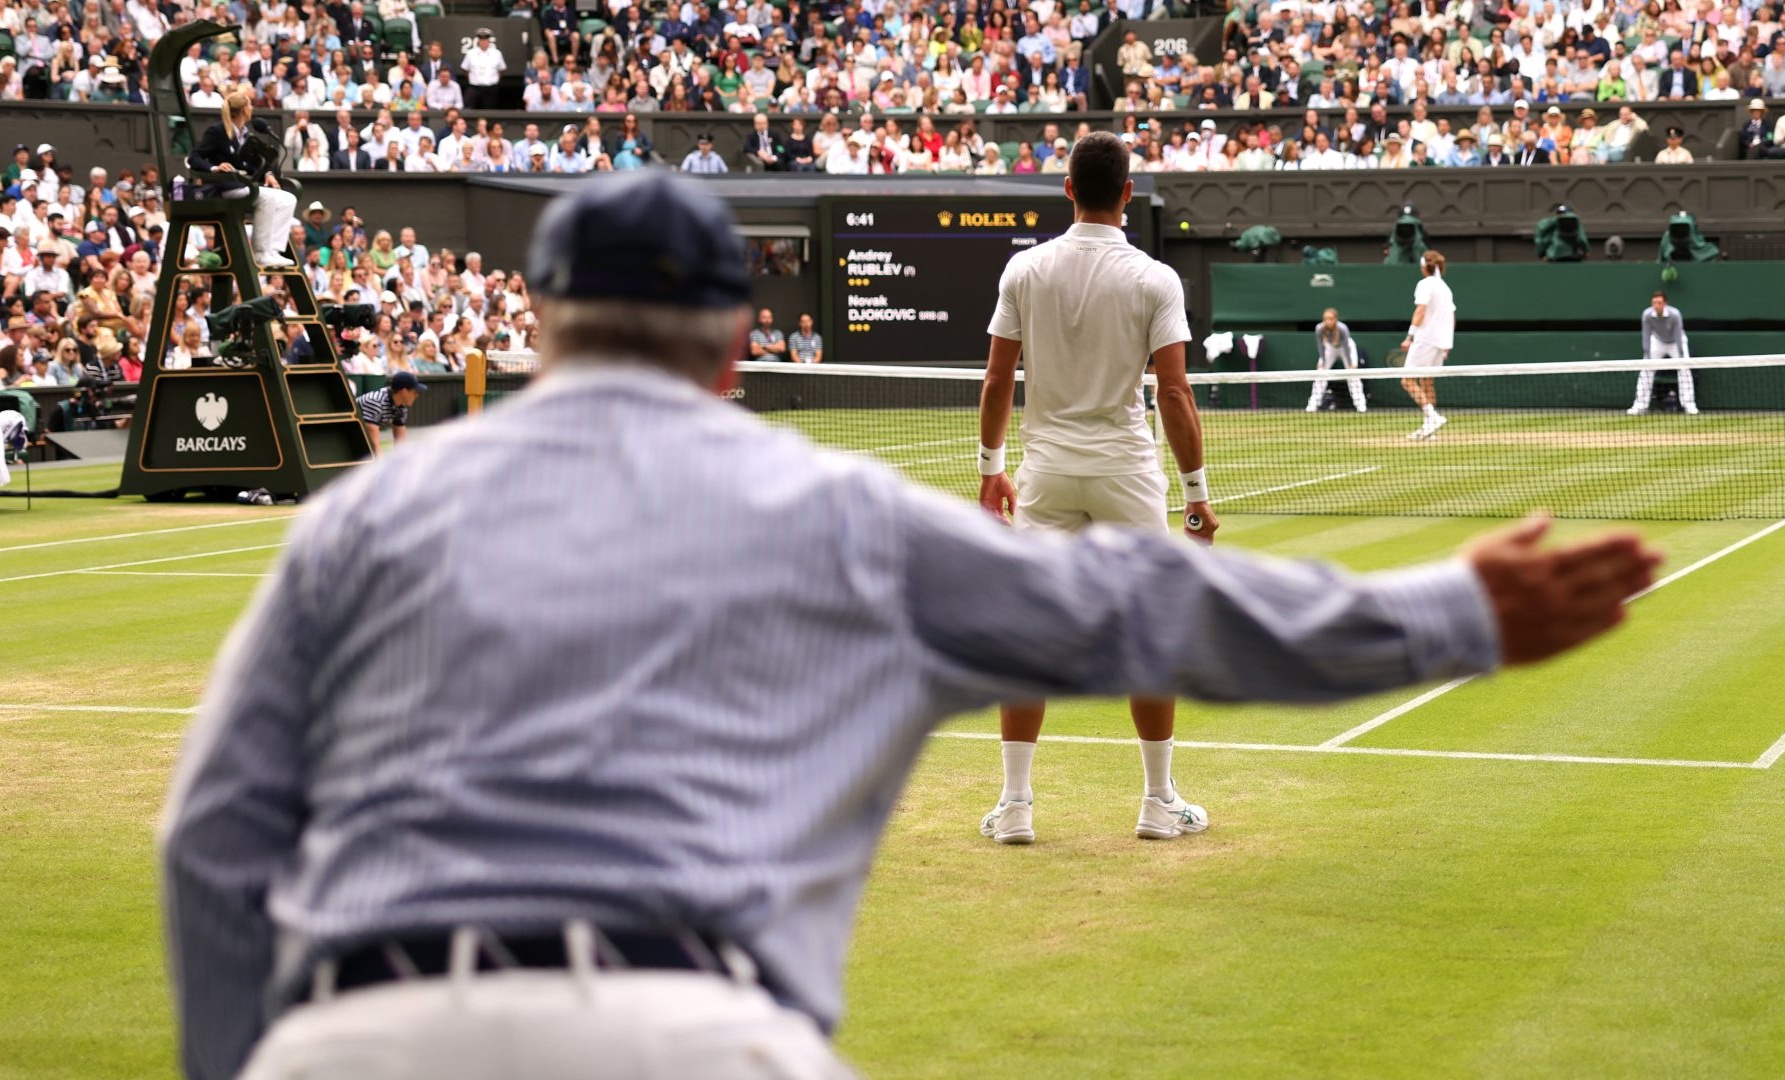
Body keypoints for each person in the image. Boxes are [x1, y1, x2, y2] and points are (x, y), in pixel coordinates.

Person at [160, 170, 1661, 1080]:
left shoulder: (364, 514)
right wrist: (1448, 614)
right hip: (696, 1028)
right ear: (742, 342)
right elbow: (1142, 605)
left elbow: (214, 843)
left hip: (343, 1038)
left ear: (541, 325)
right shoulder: (837, 520)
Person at [975, 131, 1217, 846]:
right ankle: (1157, 803)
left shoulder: (1025, 270)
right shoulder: (1155, 278)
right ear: (1129, 195)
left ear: (1068, 189)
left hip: (1045, 473)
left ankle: (1016, 807)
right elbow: (1173, 393)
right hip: (1127, 473)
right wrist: (1197, 493)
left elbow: (996, 380)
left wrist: (992, 470)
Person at [188, 89, 298, 269]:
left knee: (288, 199)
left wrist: (268, 174)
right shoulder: (217, 130)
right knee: (267, 198)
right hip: (225, 187)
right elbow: (194, 157)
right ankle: (261, 252)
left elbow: (251, 164)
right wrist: (215, 168)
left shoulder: (245, 133)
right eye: (250, 104)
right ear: (244, 109)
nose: (252, 108)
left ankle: (274, 250)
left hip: (245, 185)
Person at [1399, 249, 1454, 440]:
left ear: (1424, 266)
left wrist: (1410, 336)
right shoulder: (1445, 288)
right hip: (1441, 341)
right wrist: (1447, 343)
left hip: (1425, 339)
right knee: (1427, 381)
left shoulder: (1425, 284)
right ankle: (1430, 428)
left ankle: (1433, 417)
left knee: (1407, 380)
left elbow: (1420, 310)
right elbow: (1451, 316)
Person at [1627, 290, 1698, 415]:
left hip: (1676, 342)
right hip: (1658, 342)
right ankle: (1640, 406)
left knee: (1685, 370)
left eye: (1659, 302)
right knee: (1645, 371)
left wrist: (1681, 355)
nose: (1656, 305)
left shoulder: (1675, 314)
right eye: (1654, 302)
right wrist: (1647, 355)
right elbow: (1646, 335)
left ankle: (1689, 405)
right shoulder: (1647, 315)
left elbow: (1677, 334)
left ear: (1665, 303)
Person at [1306, 306, 1367, 413]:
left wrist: (1349, 364)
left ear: (1335, 319)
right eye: (1325, 318)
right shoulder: (1319, 328)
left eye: (1330, 318)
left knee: (1352, 374)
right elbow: (1320, 345)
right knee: (1320, 373)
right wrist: (1322, 361)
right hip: (1330, 348)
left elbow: (1346, 346)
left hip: (1346, 348)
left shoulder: (1343, 328)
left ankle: (1361, 406)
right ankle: (1312, 405)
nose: (1327, 321)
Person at [355, 368, 422, 453]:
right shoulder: (375, 402)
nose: (417, 396)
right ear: (404, 392)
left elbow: (401, 443)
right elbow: (373, 445)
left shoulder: (401, 407)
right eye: (415, 392)